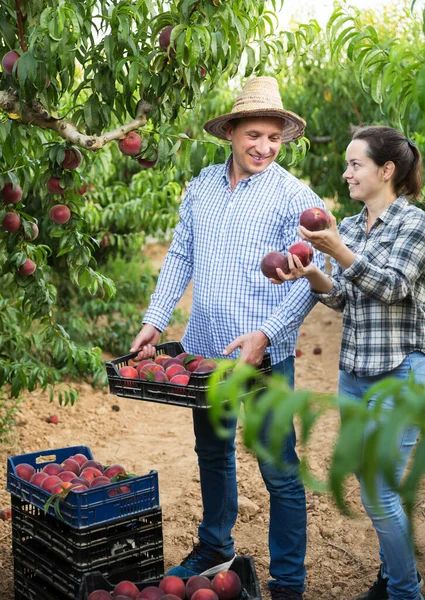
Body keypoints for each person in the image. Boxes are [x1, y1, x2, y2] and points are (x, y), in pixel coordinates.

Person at [130, 76, 326, 600]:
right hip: (207, 352)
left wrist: (268, 332)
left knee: (279, 473)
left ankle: (289, 581)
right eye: (254, 135)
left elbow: (316, 272)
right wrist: (155, 319)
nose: (264, 147)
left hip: (264, 356)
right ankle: (215, 544)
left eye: (274, 138)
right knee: (212, 455)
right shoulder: (201, 188)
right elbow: (181, 257)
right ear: (232, 133)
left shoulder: (293, 196)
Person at [271, 125, 424, 600]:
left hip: (401, 372)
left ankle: (405, 591)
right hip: (355, 373)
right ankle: (391, 577)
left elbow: (393, 286)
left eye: (355, 164)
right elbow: (343, 300)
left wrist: (335, 249)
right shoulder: (353, 226)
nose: (346, 173)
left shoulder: (414, 224)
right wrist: (314, 270)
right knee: (372, 483)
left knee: (376, 490)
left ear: (387, 170)